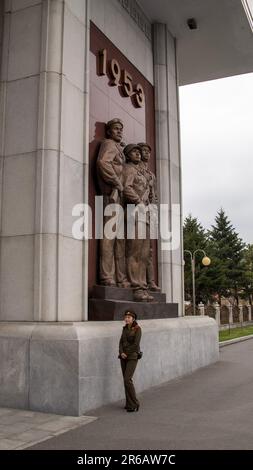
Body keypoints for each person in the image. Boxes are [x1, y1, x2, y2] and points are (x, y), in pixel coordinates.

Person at [96, 118, 130, 288]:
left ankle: (120, 277)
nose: (119, 131)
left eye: (121, 129)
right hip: (112, 195)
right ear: (109, 131)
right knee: (109, 236)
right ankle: (107, 276)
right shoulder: (108, 144)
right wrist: (116, 182)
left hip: (120, 196)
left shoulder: (118, 148)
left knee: (119, 239)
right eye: (116, 129)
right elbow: (103, 163)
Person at [123, 144, 154, 301]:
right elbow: (126, 187)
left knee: (143, 254)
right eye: (134, 152)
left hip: (145, 216)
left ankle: (143, 285)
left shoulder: (142, 172)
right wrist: (138, 201)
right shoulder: (128, 169)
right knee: (134, 251)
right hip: (134, 213)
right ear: (128, 155)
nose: (138, 154)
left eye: (138, 152)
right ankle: (135, 285)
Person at [138, 142, 160, 292]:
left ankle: (150, 281)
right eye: (143, 151)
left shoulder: (151, 175)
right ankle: (139, 282)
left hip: (148, 214)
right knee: (138, 250)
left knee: (149, 251)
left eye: (148, 151)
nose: (146, 153)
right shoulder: (134, 170)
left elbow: (155, 197)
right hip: (136, 212)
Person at [119, 310, 142, 412]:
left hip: (132, 356)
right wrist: (121, 352)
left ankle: (135, 403)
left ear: (133, 319)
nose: (126, 319)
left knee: (127, 379)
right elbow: (120, 342)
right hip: (123, 357)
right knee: (126, 380)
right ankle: (129, 404)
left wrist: (126, 353)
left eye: (129, 317)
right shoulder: (124, 329)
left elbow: (136, 344)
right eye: (125, 317)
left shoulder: (137, 329)